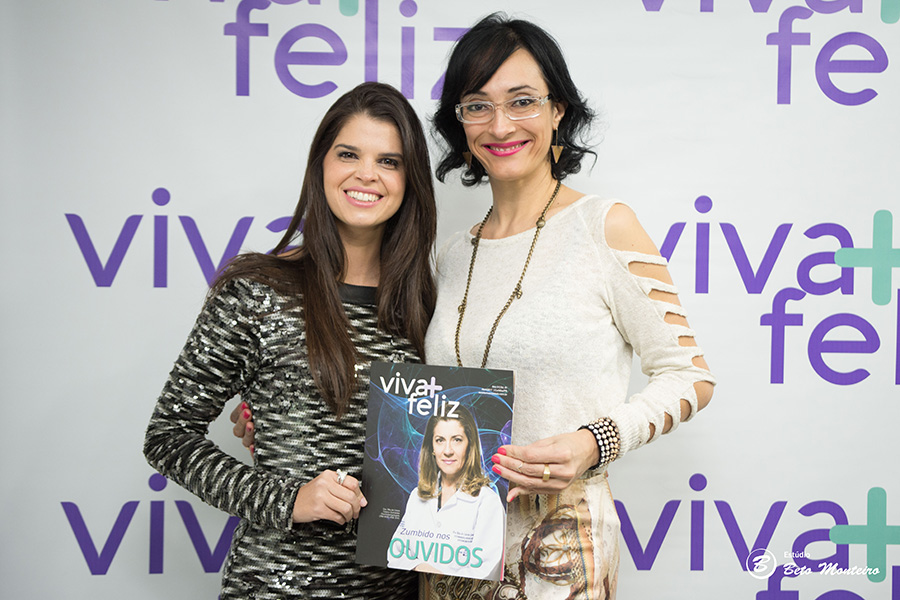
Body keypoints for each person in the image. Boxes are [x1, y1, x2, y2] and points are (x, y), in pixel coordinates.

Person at [420, 13, 717, 599]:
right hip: (447, 550)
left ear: (559, 111)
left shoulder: (604, 226)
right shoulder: (453, 256)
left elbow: (690, 375)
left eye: (522, 100)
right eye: (476, 105)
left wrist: (594, 441)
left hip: (560, 550)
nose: (500, 124)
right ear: (460, 124)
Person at [143, 81, 436, 599]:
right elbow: (169, 438)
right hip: (278, 586)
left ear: (410, 180)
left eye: (389, 161)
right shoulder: (257, 290)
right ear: (320, 165)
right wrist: (288, 497)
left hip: (399, 589)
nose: (366, 174)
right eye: (349, 154)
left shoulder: (426, 305)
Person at [387, 406, 505, 581]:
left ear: (470, 445)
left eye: (457, 440)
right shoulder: (417, 496)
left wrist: (440, 576)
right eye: (440, 440)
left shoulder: (487, 502)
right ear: (432, 447)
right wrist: (419, 566)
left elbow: (487, 569)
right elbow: (395, 553)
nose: (447, 450)